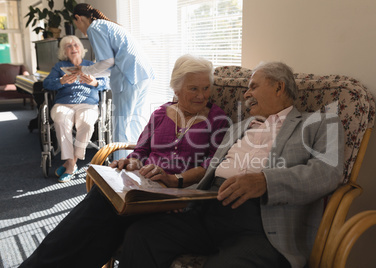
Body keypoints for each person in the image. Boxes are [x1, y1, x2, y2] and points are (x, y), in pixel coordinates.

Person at [116, 62, 345, 268]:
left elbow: (327, 172)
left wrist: (265, 182)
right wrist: (177, 187)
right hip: (206, 207)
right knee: (141, 236)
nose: (246, 94)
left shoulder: (320, 123)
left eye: (253, 87)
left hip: (259, 223)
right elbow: (209, 166)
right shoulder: (239, 126)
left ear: (279, 87)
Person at [18, 54, 228, 268]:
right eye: (194, 89)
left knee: (103, 217)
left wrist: (175, 181)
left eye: (206, 88)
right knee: (97, 209)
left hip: (179, 197)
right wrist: (132, 162)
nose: (202, 96)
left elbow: (211, 166)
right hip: (143, 188)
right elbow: (141, 150)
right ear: (176, 88)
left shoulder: (217, 120)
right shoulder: (161, 114)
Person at [72, 3, 155, 160]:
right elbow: (110, 65)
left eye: (76, 24)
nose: (78, 28)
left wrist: (83, 70)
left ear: (78, 18)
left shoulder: (94, 28)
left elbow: (107, 61)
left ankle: (118, 168)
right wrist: (89, 73)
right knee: (134, 123)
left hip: (128, 77)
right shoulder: (107, 25)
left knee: (120, 126)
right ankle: (136, 162)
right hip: (142, 74)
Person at [43, 35, 109, 183]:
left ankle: (70, 162)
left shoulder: (92, 66)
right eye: (69, 46)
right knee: (60, 120)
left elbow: (106, 84)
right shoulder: (59, 67)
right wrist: (61, 81)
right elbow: (46, 83)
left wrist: (95, 83)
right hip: (64, 103)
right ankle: (72, 165)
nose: (73, 48)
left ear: (81, 48)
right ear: (64, 51)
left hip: (87, 103)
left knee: (86, 122)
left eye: (76, 45)